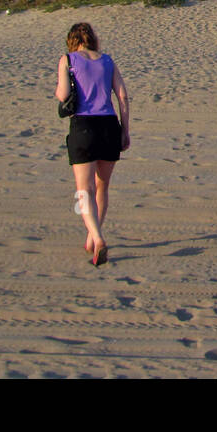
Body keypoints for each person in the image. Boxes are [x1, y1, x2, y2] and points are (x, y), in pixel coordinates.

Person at [55, 22, 130, 267]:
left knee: (83, 190)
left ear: (72, 41)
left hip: (84, 127)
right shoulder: (107, 61)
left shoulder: (68, 59)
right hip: (109, 125)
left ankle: (97, 237)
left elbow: (63, 95)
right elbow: (122, 96)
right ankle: (90, 237)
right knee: (102, 187)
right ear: (93, 39)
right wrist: (125, 130)